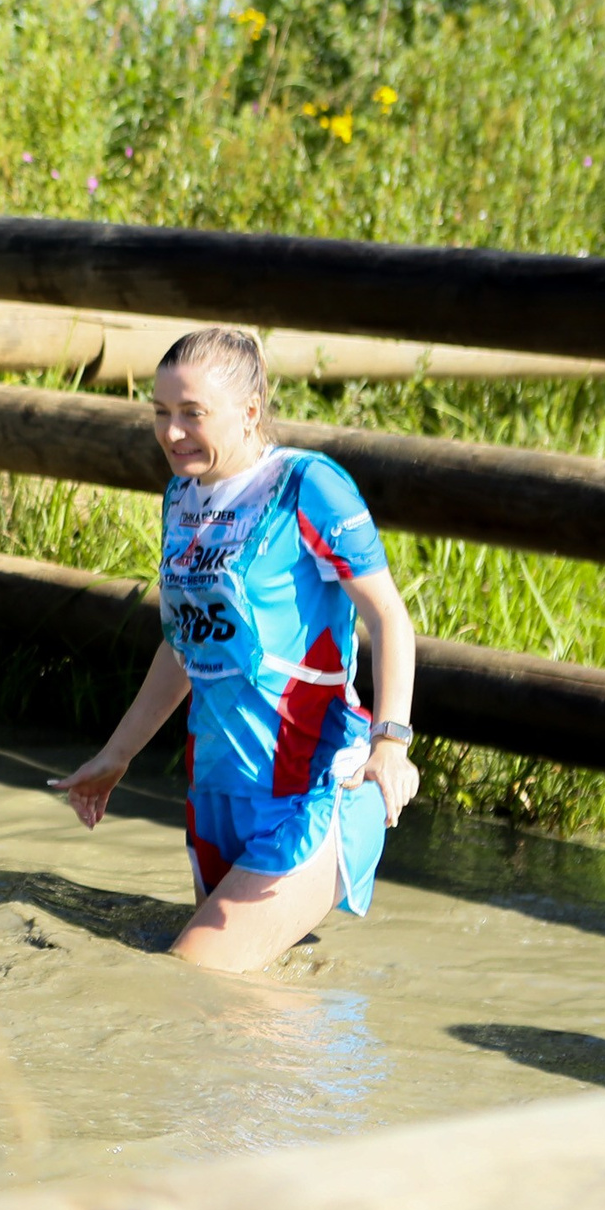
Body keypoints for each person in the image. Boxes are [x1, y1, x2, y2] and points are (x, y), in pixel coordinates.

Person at [50, 326, 421, 973]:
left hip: (313, 788)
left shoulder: (307, 486)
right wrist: (117, 754)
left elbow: (389, 615)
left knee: (188, 974)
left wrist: (392, 743)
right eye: (161, 413)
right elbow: (183, 643)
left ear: (250, 411)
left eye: (192, 413)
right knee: (243, 1010)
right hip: (217, 792)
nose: (171, 433)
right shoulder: (181, 499)